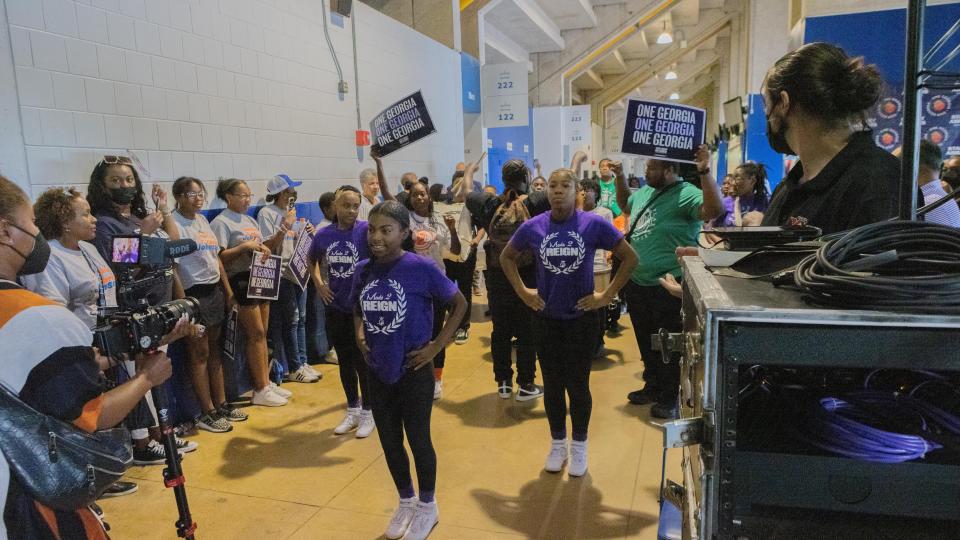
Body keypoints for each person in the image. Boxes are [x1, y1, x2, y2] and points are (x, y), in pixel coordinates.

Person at [0, 174, 173, 538]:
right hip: (28, 508)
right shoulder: (34, 317)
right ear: (5, 232)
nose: (35, 234)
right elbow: (93, 417)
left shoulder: (90, 254)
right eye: (31, 223)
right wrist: (147, 377)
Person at [501, 169, 637, 477]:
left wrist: (606, 296)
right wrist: (523, 292)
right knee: (552, 386)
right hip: (546, 319)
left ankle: (579, 446)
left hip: (582, 319)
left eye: (565, 185)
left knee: (577, 386)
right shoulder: (533, 226)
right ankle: (558, 443)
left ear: (578, 191)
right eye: (552, 185)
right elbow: (507, 257)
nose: (557, 191)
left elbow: (630, 258)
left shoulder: (593, 224)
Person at [351, 201, 467, 540]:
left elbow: (458, 304)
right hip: (378, 369)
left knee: (418, 439)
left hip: (413, 370)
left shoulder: (421, 268)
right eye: (372, 229)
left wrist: (436, 347)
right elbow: (357, 306)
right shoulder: (363, 270)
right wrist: (359, 332)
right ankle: (406, 500)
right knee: (389, 441)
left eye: (386, 230)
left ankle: (428, 505)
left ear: (404, 233)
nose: (376, 237)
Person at [87, 157, 196, 463]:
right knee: (138, 375)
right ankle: (143, 441)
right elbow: (117, 263)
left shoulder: (139, 217)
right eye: (116, 181)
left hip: (158, 307)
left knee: (157, 370)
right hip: (132, 309)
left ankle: (163, 433)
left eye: (129, 179)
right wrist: (143, 235)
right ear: (102, 186)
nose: (124, 186)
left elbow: (175, 245)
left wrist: (161, 210)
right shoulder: (104, 222)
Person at [616, 148, 724, 420]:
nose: (646, 172)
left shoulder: (685, 192)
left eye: (651, 168)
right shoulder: (644, 192)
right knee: (646, 339)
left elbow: (714, 210)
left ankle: (670, 396)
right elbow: (624, 205)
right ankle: (652, 386)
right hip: (639, 282)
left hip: (669, 283)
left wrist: (704, 171)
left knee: (668, 343)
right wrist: (619, 176)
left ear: (668, 171)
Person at [759, 42, 899, 233]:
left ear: (783, 102)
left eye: (766, 104)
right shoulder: (788, 188)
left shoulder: (879, 183)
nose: (766, 114)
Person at [372, 151, 469, 400]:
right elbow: (387, 196)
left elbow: (456, 251)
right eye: (414, 194)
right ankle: (410, 371)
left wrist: (451, 230)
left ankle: (436, 377)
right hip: (410, 284)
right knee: (415, 330)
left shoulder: (439, 220)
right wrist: (379, 164)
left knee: (437, 333)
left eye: (422, 193)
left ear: (429, 197)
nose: (418, 197)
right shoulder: (405, 221)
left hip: (436, 283)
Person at [461, 160, 548, 401]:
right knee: (526, 331)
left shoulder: (489, 203)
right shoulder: (534, 201)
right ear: (527, 179)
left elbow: (467, 192)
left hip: (497, 273)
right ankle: (527, 384)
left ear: (503, 179)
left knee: (499, 330)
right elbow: (563, 185)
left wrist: (469, 172)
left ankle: (503, 384)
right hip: (528, 273)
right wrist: (576, 162)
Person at [171, 177, 248, 432]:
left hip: (214, 290)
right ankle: (206, 412)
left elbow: (216, 259)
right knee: (199, 353)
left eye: (200, 193)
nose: (198, 197)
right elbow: (174, 268)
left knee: (215, 350)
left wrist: (227, 293)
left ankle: (221, 403)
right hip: (193, 295)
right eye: (191, 194)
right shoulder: (174, 224)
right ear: (179, 197)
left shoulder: (202, 220)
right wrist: (184, 304)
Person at [210, 178, 288, 407]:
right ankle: (260, 388)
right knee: (254, 333)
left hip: (260, 276)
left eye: (249, 196)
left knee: (262, 333)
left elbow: (262, 244)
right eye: (242, 196)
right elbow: (219, 258)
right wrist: (244, 247)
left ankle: (265, 381)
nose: (247, 200)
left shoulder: (249, 220)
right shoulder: (221, 223)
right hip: (240, 280)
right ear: (229, 197)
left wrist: (267, 244)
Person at [309, 186, 376, 438]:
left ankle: (370, 412)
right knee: (345, 361)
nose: (351, 210)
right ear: (335, 207)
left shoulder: (365, 231)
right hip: (336, 307)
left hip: (361, 309)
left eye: (355, 206)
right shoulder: (324, 234)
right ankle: (353, 408)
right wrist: (319, 284)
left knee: (363, 360)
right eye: (346, 205)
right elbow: (311, 259)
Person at [258, 174, 321, 384]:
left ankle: (302, 361)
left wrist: (308, 231)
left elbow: (297, 242)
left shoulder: (292, 212)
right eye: (289, 191)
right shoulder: (267, 213)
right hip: (282, 272)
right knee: (291, 319)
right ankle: (293, 366)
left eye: (293, 191)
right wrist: (285, 225)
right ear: (279, 193)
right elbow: (267, 245)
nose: (293, 194)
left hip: (298, 272)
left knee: (301, 317)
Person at [577, 178, 615, 358]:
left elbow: (611, 240)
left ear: (596, 193)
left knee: (598, 307)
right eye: (581, 190)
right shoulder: (572, 214)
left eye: (589, 190)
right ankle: (584, 343)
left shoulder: (604, 213)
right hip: (578, 267)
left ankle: (598, 341)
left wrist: (609, 256)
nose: (585, 193)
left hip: (599, 265)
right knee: (581, 307)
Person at [915, 140, 960, 227]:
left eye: (956, 170)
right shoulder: (939, 197)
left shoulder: (927, 203)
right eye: (946, 169)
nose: (949, 173)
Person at [712, 162, 771, 227]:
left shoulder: (763, 202)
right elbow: (709, 229)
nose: (733, 183)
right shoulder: (725, 202)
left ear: (752, 181)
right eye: (733, 178)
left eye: (738, 178)